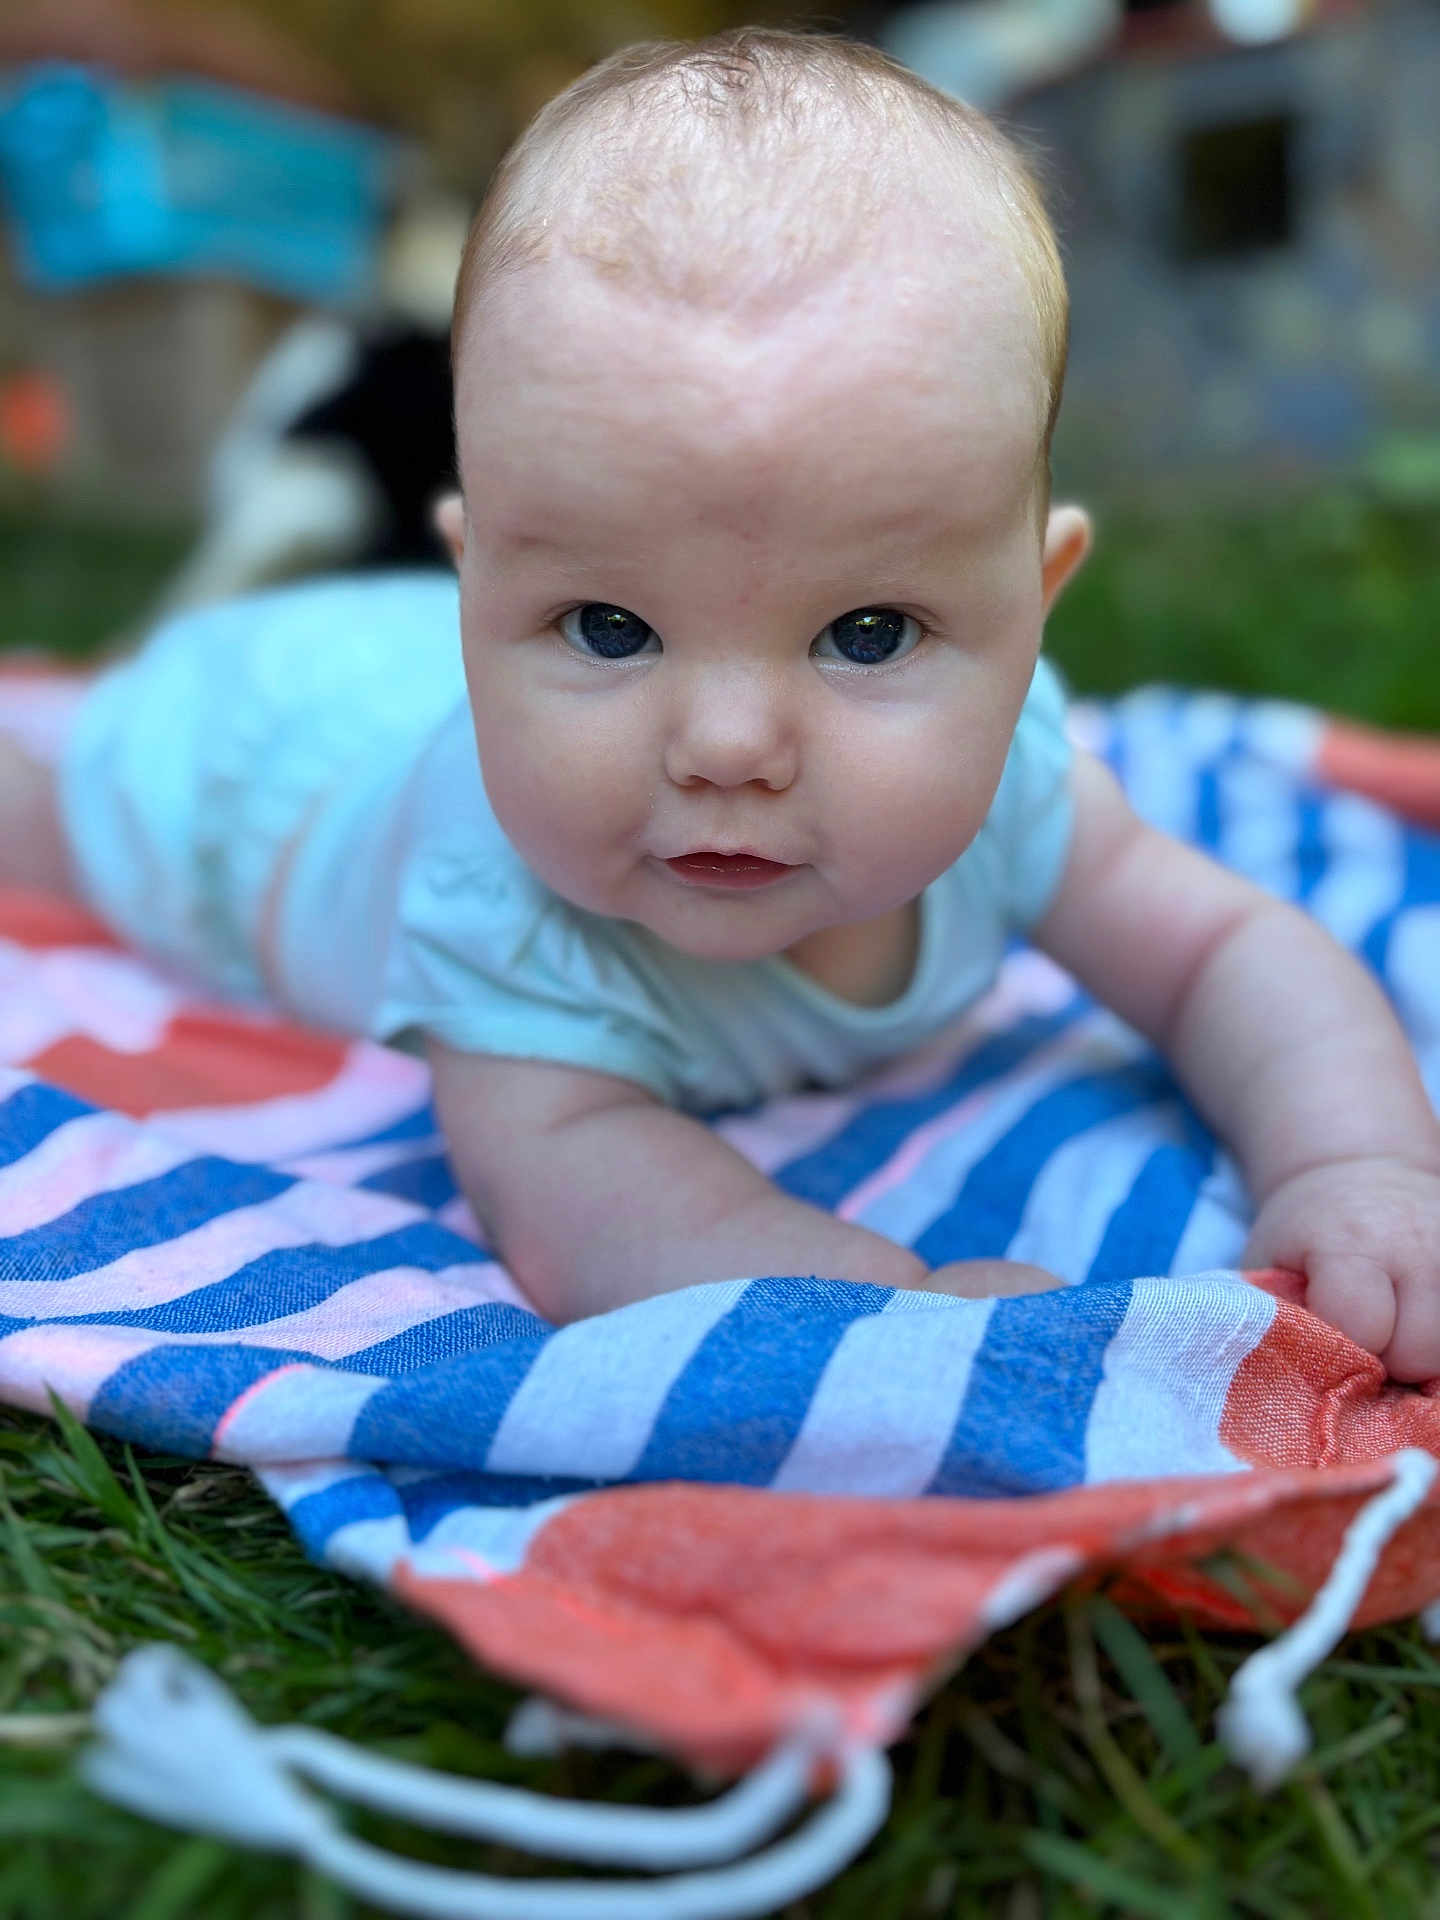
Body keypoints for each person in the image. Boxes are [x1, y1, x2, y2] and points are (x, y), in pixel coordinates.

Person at [3, 29, 1439, 1375]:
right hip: (237, 770)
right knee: (50, 793)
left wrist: (1355, 1163)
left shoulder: (1025, 787)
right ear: (475, 596)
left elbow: (1227, 952)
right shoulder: (501, 906)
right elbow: (584, 1201)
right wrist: (894, 1309)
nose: (729, 745)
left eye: (867, 633)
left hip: (377, 669)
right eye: (608, 626)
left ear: (1034, 612)